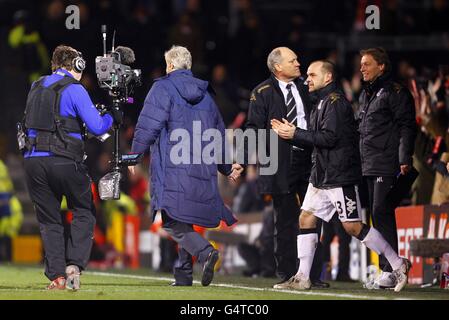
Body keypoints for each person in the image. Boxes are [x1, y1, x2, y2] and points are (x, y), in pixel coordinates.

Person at [271, 60, 411, 292]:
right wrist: (293, 135)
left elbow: (328, 138)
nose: (307, 79)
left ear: (328, 78)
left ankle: (398, 264)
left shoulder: (336, 103)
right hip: (322, 175)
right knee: (306, 218)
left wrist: (295, 133)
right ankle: (302, 277)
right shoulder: (321, 102)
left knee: (352, 227)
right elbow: (318, 139)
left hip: (339, 175)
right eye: (307, 75)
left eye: (312, 75)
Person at [130, 45, 242, 287]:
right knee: (186, 218)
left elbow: (148, 124)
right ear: (188, 66)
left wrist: (135, 154)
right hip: (201, 166)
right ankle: (183, 275)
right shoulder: (207, 96)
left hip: (172, 165)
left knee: (171, 220)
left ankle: (205, 252)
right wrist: (225, 166)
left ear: (170, 65)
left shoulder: (162, 87)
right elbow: (218, 134)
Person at [20, 45, 114, 290]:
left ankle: (57, 277)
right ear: (77, 65)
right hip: (63, 161)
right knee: (83, 210)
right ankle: (73, 266)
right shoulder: (75, 89)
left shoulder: (36, 86)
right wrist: (112, 116)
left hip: (33, 162)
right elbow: (97, 126)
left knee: (49, 220)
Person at [244, 47, 326, 288]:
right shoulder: (262, 92)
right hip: (280, 163)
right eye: (293, 60)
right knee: (285, 220)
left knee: (314, 217)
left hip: (310, 159)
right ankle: (288, 273)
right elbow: (252, 128)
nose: (299, 63)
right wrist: (241, 159)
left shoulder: (307, 87)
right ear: (278, 67)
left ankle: (311, 274)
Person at [358, 48, 417, 289]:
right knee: (377, 212)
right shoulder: (368, 94)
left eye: (367, 64)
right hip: (369, 162)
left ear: (381, 66)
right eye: (361, 64)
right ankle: (390, 268)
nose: (362, 68)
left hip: (387, 161)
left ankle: (392, 268)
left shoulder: (395, 92)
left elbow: (406, 125)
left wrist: (404, 158)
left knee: (381, 210)